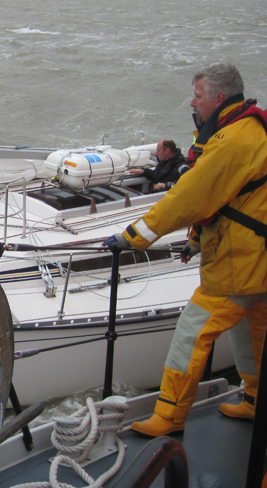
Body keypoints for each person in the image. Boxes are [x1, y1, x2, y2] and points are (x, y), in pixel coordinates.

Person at [104, 63, 267, 436]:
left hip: (237, 266)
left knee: (191, 335)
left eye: (197, 96)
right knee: (253, 332)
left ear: (218, 99)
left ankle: (170, 415)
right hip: (259, 260)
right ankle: (257, 401)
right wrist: (195, 241)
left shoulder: (232, 140)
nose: (192, 103)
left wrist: (133, 236)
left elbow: (190, 196)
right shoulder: (254, 129)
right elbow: (237, 200)